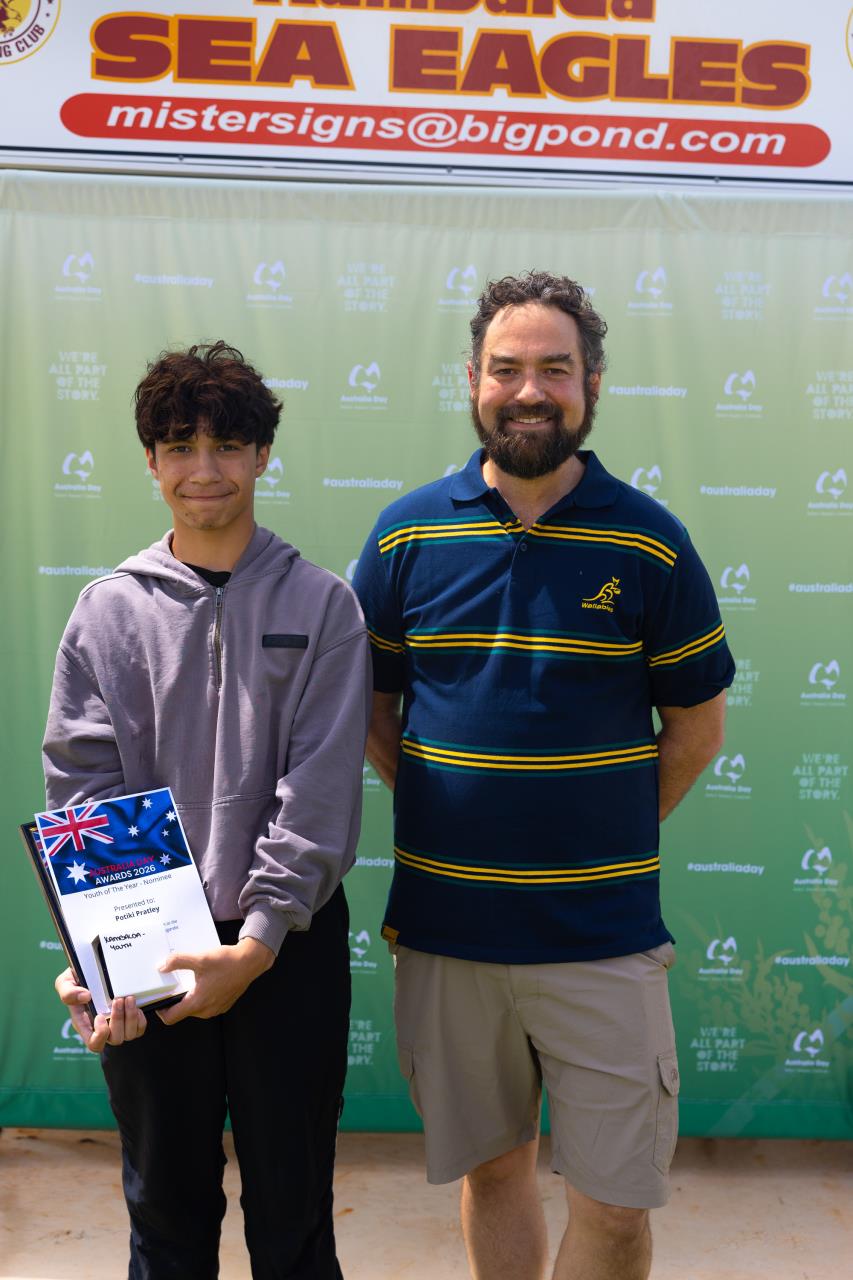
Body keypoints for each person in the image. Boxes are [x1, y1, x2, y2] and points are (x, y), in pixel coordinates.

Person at [352, 272, 735, 1280]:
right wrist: (450, 807)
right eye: (507, 368)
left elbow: (696, 726)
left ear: (592, 383)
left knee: (616, 1210)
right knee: (493, 1174)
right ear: (471, 380)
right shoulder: (404, 536)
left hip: (600, 939)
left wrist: (603, 830)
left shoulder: (649, 540)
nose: (529, 390)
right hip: (448, 936)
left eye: (554, 369)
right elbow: (371, 713)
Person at [46, 341, 371, 1280]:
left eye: (227, 445)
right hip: (150, 946)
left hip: (287, 945)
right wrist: (101, 955)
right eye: (180, 446)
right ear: (150, 461)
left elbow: (319, 794)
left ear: (262, 455)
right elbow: (81, 791)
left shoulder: (324, 605)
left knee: (294, 1221)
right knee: (165, 1219)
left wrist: (256, 944)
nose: (205, 469)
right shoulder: (106, 613)